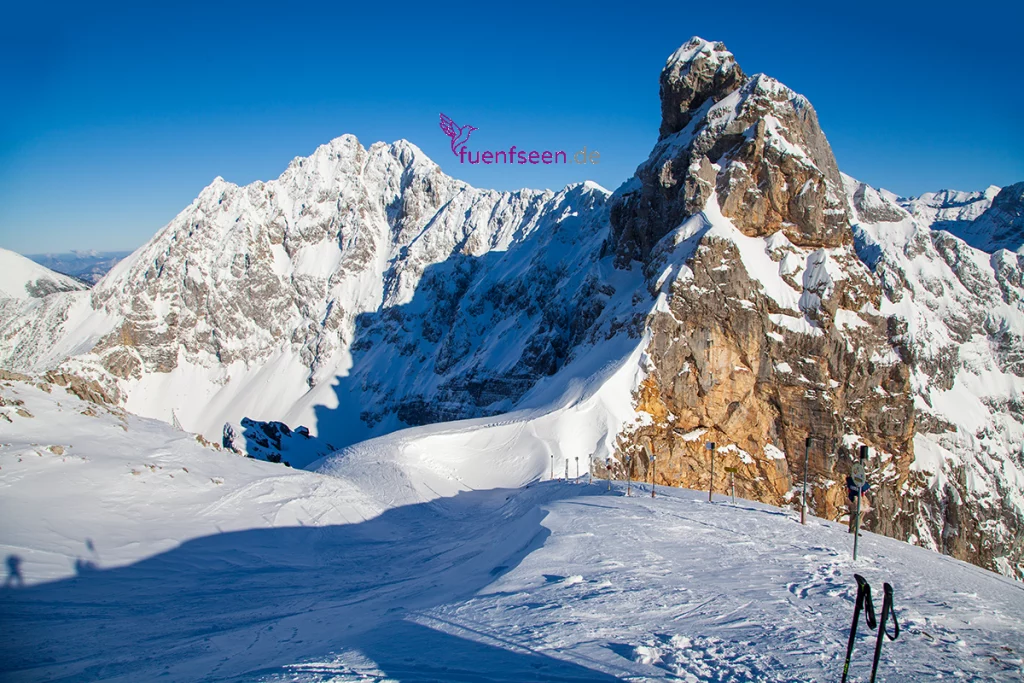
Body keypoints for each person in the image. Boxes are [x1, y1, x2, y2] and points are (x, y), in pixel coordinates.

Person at [846, 451, 871, 532]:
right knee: (859, 514)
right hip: (858, 499)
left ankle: (852, 529)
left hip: (852, 498)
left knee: (854, 514)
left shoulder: (850, 480)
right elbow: (865, 487)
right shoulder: (857, 481)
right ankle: (854, 530)